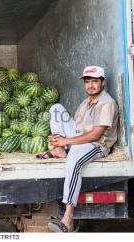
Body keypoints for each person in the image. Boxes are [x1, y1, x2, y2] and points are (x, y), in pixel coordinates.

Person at [39, 66, 119, 232]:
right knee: (56, 109)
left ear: (102, 82)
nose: (90, 85)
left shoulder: (107, 103)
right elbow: (77, 128)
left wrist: (66, 141)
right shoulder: (85, 102)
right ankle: (60, 150)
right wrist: (58, 138)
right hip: (81, 138)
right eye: (87, 81)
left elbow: (95, 136)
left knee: (73, 160)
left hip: (97, 145)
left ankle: (68, 218)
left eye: (95, 81)